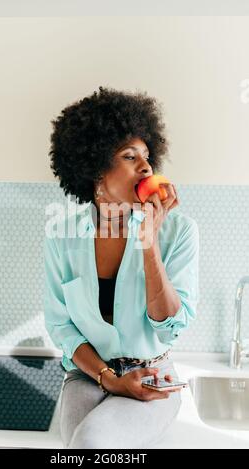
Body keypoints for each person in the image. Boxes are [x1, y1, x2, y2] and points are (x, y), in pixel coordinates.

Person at [43, 86, 199, 449]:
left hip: (151, 372)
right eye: (130, 157)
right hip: (85, 375)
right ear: (96, 168)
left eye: (147, 156)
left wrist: (150, 243)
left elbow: (170, 327)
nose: (146, 166)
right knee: (84, 444)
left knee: (90, 442)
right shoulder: (61, 233)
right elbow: (60, 325)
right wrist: (108, 379)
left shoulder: (179, 231)